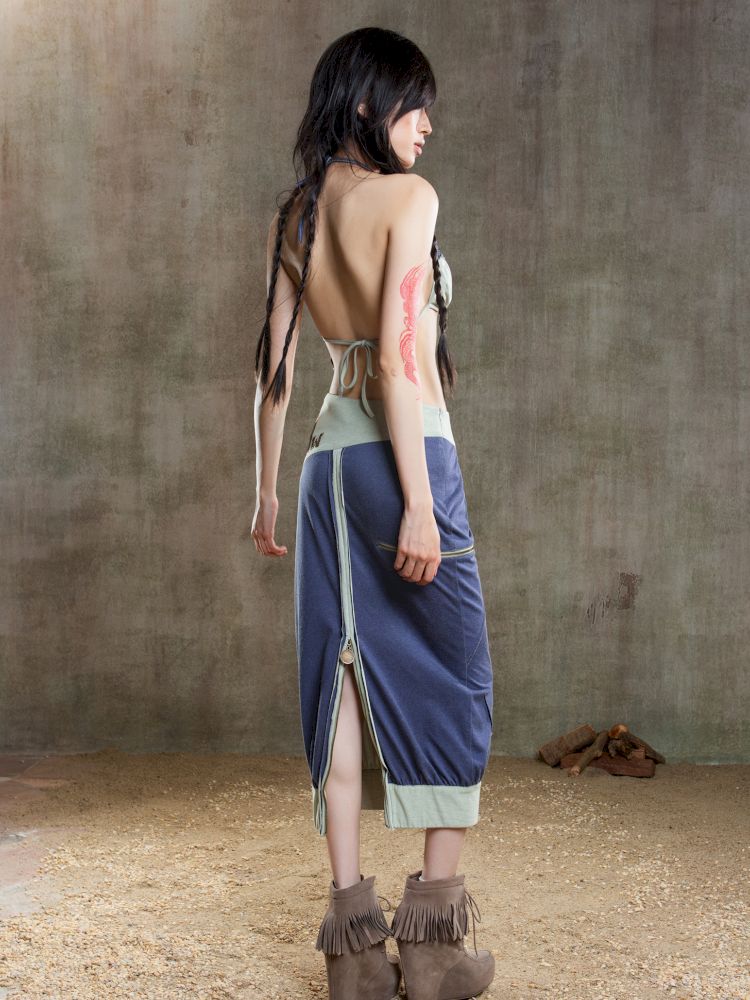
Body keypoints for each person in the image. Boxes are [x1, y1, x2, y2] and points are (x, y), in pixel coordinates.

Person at [252, 27, 495, 1000]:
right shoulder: (410, 199)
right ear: (365, 103)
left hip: (325, 466)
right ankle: (433, 946)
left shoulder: (300, 213)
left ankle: (353, 954)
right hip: (405, 460)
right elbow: (398, 362)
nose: (427, 125)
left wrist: (267, 489)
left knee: (341, 683)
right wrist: (421, 505)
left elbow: (274, 366)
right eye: (414, 103)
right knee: (458, 678)